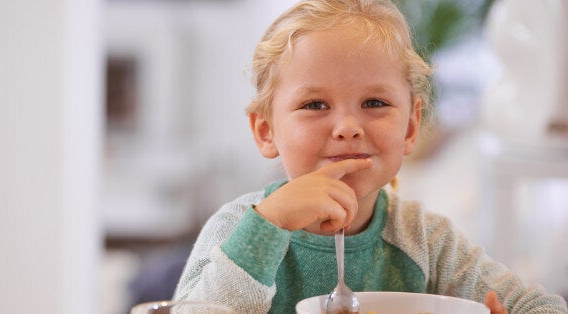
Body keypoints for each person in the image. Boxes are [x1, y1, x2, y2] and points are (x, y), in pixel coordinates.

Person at [173, 0, 568, 313]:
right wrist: (269, 226)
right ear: (266, 131)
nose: (347, 126)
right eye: (314, 104)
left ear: (410, 127)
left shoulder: (425, 240)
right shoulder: (237, 229)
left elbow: (538, 305)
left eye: (374, 102)